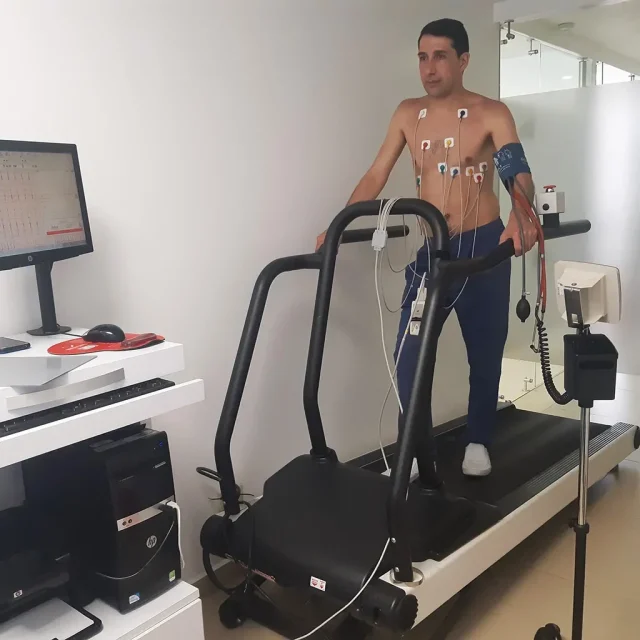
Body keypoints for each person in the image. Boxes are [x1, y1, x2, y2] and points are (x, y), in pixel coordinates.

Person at [316, 18, 537, 477]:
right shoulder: (407, 113)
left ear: (463, 60)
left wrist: (521, 214)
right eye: (422, 57)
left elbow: (517, 172)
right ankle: (414, 452)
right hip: (432, 250)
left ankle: (478, 440)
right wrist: (339, 224)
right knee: (411, 355)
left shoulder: (492, 113)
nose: (429, 68)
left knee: (484, 354)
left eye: (440, 57)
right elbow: (376, 173)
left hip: (483, 247)